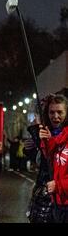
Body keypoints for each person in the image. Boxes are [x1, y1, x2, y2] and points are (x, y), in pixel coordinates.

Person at [37, 94, 68, 223]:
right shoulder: (56, 139)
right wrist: (46, 142)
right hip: (58, 203)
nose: (55, 117)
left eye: (60, 112)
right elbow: (51, 165)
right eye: (51, 112)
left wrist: (58, 185)